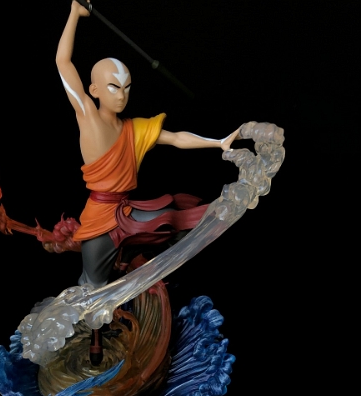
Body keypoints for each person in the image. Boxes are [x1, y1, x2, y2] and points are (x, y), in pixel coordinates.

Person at [56, 0, 242, 291]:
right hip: (99, 219)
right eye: (113, 87)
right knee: (90, 288)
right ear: (94, 90)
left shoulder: (135, 129)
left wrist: (219, 142)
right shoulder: (88, 117)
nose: (121, 96)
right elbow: (63, 62)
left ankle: (143, 270)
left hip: (128, 212)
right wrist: (74, 14)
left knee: (174, 220)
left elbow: (176, 138)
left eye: (126, 88)